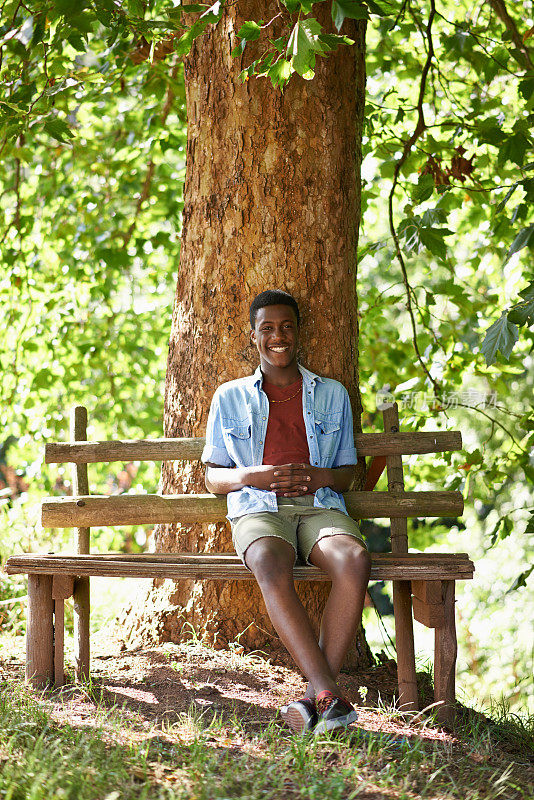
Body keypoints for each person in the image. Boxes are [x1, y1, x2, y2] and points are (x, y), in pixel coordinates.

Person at [201, 289, 371, 734]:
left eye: (287, 327)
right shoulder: (230, 397)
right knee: (267, 562)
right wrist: (250, 476)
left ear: (298, 333)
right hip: (259, 508)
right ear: (254, 335)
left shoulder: (332, 394)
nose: (278, 336)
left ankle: (318, 698)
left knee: (354, 559)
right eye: (268, 328)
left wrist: (321, 476)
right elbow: (212, 477)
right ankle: (327, 693)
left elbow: (348, 472)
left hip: (319, 507)